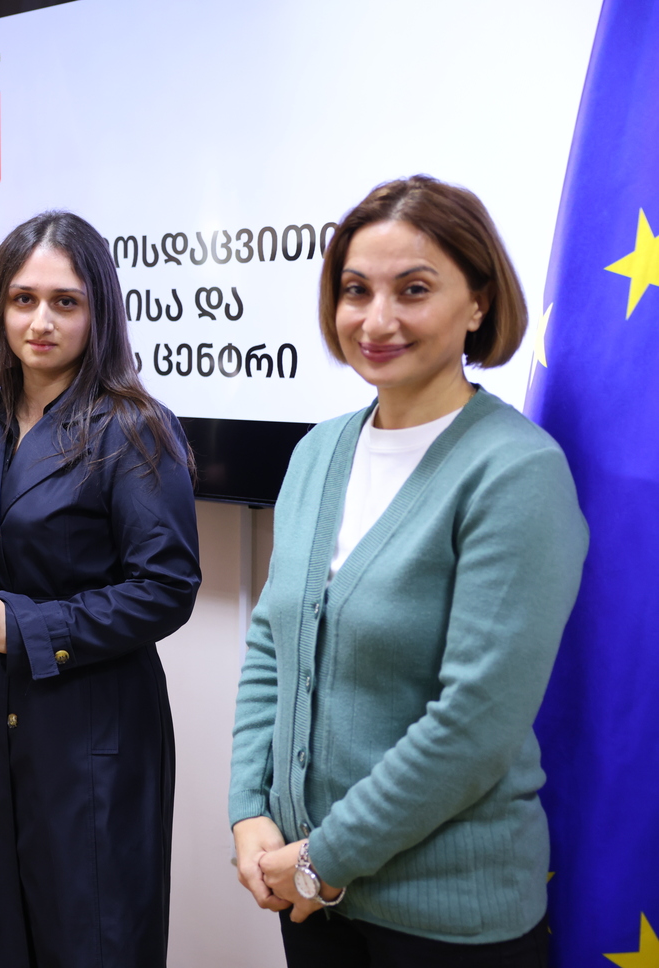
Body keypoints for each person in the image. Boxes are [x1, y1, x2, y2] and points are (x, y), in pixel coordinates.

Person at [228, 176, 588, 966]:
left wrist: (327, 859)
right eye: (356, 290)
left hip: (446, 920)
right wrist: (249, 810)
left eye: (413, 290)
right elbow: (270, 648)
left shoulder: (516, 472)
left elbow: (475, 723)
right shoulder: (317, 451)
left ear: (479, 303)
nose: (376, 319)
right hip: (310, 900)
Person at [0, 211, 203, 967]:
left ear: (98, 310)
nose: (40, 321)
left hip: (88, 735)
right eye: (23, 299)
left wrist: (27, 627)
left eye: (64, 302)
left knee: (90, 940)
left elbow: (166, 587)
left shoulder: (135, 427)